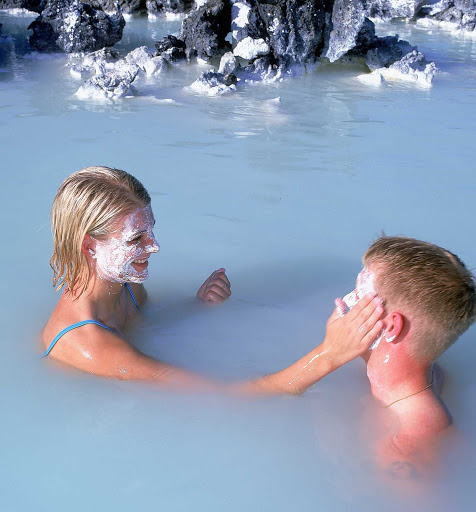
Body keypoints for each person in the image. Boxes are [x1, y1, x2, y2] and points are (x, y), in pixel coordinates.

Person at [41, 165, 384, 394]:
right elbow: (226, 397)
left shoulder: (123, 283)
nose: (155, 246)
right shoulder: (88, 343)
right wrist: (330, 354)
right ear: (90, 245)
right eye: (136, 239)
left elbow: (150, 322)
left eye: (151, 230)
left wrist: (196, 305)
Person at [339, 236, 476, 477]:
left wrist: (326, 358)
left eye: (359, 294)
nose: (348, 301)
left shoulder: (409, 443)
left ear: (391, 328)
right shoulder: (425, 378)